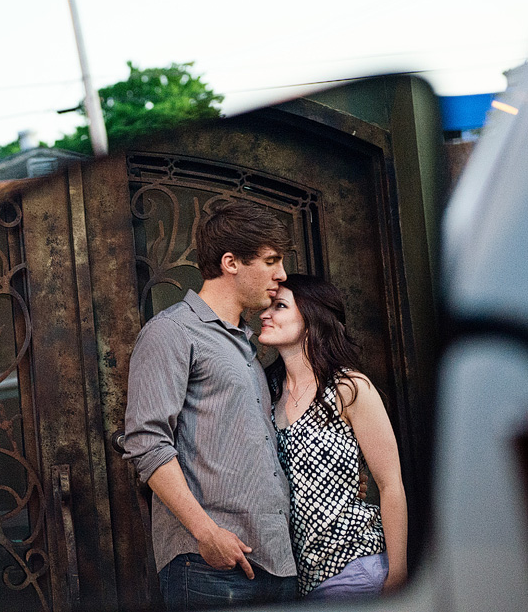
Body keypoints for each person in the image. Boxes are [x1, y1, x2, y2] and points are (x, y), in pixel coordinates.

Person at [123, 200, 297, 609]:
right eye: (271, 261)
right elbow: (146, 442)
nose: (282, 275)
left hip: (276, 563)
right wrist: (206, 533)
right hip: (207, 567)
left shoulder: (246, 347)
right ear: (231, 262)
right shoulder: (171, 332)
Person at [258, 273, 408, 600]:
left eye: (279, 306)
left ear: (312, 319)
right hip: (298, 583)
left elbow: (390, 484)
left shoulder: (349, 389)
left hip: (355, 566)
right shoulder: (265, 392)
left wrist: (398, 573)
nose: (264, 314)